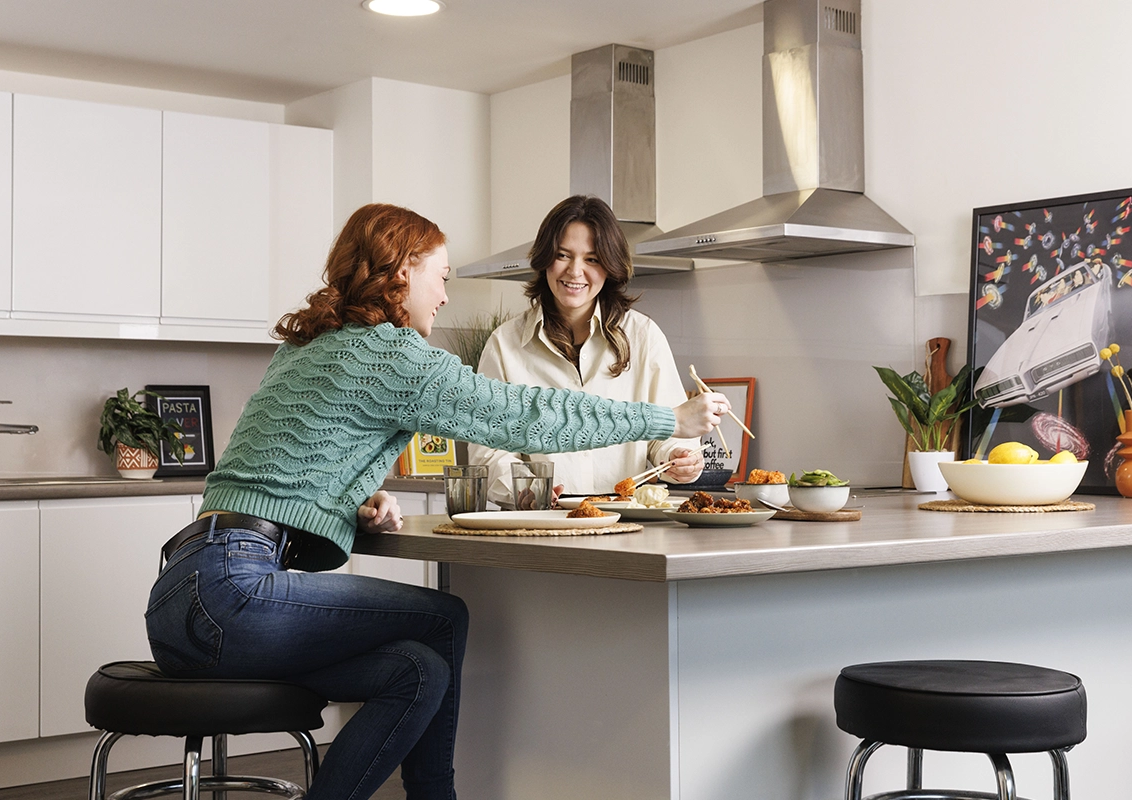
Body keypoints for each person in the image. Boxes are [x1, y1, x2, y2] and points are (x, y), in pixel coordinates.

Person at [142, 203, 728, 800]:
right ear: (401, 272)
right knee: (444, 619)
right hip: (233, 593)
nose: (445, 297)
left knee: (417, 670)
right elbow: (523, 416)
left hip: (182, 597)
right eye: (442, 277)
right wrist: (668, 417)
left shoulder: (310, 344)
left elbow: (282, 464)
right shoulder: (394, 355)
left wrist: (354, 499)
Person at [468, 195, 705, 506]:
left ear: (610, 266)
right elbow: (487, 449)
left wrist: (680, 457)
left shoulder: (644, 336)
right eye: (563, 255)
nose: (575, 271)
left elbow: (670, 430)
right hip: (540, 524)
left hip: (625, 526)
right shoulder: (504, 345)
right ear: (544, 259)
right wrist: (526, 489)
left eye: (592, 259)